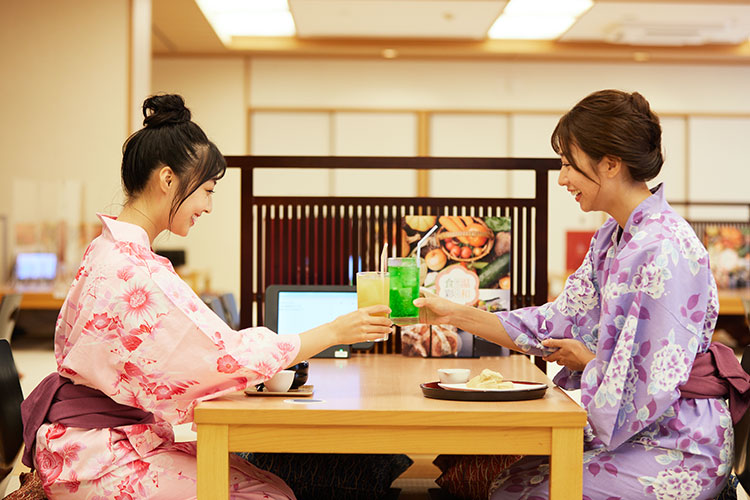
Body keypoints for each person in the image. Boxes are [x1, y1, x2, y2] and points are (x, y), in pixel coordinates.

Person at [20, 94, 393, 499]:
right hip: (98, 456)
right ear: (168, 180)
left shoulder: (109, 249)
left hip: (93, 438)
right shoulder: (133, 271)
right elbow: (223, 357)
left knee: (271, 484)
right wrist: (334, 331)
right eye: (207, 190)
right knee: (270, 496)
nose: (208, 206)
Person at [415, 89, 749, 499]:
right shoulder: (614, 234)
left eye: (568, 164)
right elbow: (557, 321)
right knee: (500, 479)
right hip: (643, 427)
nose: (561, 178)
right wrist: (451, 313)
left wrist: (588, 360)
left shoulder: (662, 248)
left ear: (610, 164)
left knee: (522, 492)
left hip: (677, 443)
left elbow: (643, 388)